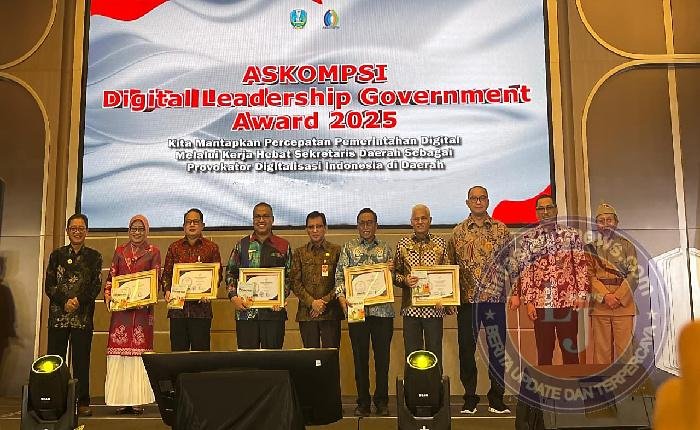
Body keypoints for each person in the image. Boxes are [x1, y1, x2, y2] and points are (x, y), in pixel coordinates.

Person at [447, 186, 516, 414]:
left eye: (482, 198)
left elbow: (512, 263)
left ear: (488, 201)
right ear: (467, 202)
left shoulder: (501, 229)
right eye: (474, 198)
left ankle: (497, 398)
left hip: (494, 301)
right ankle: (470, 398)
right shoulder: (458, 232)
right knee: (466, 351)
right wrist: (449, 298)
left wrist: (516, 291)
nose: (478, 202)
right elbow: (449, 268)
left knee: (497, 350)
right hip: (467, 302)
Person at [513, 195, 589, 365]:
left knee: (570, 350)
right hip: (541, 303)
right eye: (541, 209)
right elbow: (526, 272)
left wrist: (582, 295)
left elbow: (580, 266)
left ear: (555, 210)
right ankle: (546, 383)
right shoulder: (529, 238)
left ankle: (572, 382)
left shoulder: (571, 235)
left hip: (567, 301)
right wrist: (529, 302)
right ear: (537, 212)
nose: (545, 212)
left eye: (549, 208)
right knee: (544, 352)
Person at [335, 208, 394, 417]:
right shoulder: (348, 248)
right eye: (362, 223)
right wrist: (342, 299)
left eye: (370, 223)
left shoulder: (386, 249)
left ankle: (382, 401)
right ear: (357, 225)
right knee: (360, 359)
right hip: (357, 312)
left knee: (382, 360)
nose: (366, 226)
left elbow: (393, 279)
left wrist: (392, 271)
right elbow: (339, 278)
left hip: (382, 313)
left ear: (376, 225)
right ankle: (363, 402)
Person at [44, 213, 102, 417]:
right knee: (55, 361)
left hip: (82, 317)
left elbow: (95, 286)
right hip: (58, 317)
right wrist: (64, 302)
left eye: (81, 228)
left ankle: (82, 402)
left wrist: (78, 301)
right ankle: (53, 401)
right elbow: (49, 285)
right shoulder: (56, 255)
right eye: (73, 228)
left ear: (87, 231)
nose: (77, 232)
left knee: (81, 361)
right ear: (67, 231)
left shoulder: (94, 257)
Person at [103, 215, 160, 415]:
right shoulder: (120, 251)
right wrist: (109, 295)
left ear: (146, 231)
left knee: (139, 356)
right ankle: (120, 399)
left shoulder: (153, 252)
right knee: (119, 354)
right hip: (121, 313)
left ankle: (137, 400)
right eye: (133, 228)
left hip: (142, 313)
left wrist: (145, 297)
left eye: (141, 229)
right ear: (128, 230)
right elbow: (111, 277)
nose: (137, 232)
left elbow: (155, 279)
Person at [226, 202, 291, 349]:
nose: (261, 220)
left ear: (272, 219)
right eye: (257, 216)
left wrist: (281, 297)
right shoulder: (242, 245)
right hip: (246, 313)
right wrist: (234, 297)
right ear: (253, 220)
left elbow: (289, 276)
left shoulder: (283, 245)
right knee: (247, 360)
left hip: (273, 314)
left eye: (265, 216)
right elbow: (230, 272)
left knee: (273, 358)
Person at [394, 204, 450, 368]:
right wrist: (405, 280)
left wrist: (446, 301)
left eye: (423, 218)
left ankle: (436, 385)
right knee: (412, 356)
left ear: (430, 220)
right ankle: (413, 385)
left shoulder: (440, 244)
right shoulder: (402, 244)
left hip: (434, 309)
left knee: (435, 354)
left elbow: (448, 275)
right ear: (411, 221)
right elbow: (394, 274)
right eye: (416, 219)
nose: (420, 222)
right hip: (410, 310)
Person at [161, 208, 221, 351]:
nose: (192, 225)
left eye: (195, 222)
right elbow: (167, 274)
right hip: (178, 311)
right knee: (178, 355)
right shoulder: (174, 248)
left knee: (200, 356)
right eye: (188, 222)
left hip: (201, 311)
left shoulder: (211, 248)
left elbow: (218, 275)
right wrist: (167, 290)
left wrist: (210, 291)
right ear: (184, 226)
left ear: (202, 225)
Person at [585, 203, 638, 364]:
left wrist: (618, 297)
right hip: (600, 305)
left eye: (609, 220)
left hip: (623, 305)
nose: (605, 224)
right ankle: (603, 381)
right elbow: (589, 276)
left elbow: (634, 275)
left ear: (616, 222)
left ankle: (626, 380)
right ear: (596, 225)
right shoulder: (590, 248)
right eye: (601, 221)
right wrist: (606, 296)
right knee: (602, 352)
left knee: (625, 351)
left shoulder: (627, 246)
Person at [290, 211, 342, 348]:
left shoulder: (336, 251)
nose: (315, 230)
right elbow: (295, 282)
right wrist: (312, 303)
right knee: (310, 358)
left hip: (330, 313)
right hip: (307, 314)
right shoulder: (299, 253)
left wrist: (323, 302)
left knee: (331, 356)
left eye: (318, 226)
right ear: (306, 230)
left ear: (325, 228)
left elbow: (341, 281)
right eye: (311, 227)